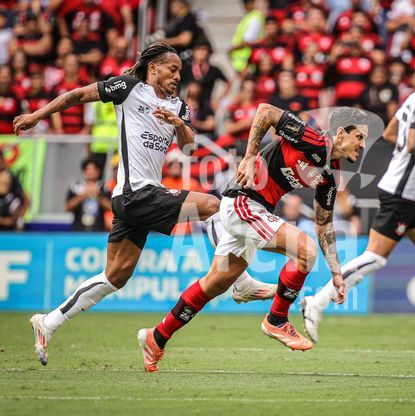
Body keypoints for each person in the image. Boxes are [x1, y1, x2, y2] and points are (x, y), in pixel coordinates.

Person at [13, 42, 274, 366]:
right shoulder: (128, 88)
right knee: (214, 205)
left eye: (180, 71)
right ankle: (239, 281)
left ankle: (48, 322)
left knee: (116, 276)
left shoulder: (179, 107)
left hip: (136, 199)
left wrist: (178, 124)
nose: (177, 76)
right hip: (135, 193)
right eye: (172, 69)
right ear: (153, 68)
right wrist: (37, 115)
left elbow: (190, 149)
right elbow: (78, 95)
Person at [136, 104, 369, 372]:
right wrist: (248, 157)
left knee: (214, 284)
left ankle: (157, 337)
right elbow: (265, 111)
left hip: (254, 210)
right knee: (305, 250)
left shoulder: (330, 174)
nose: (362, 144)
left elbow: (324, 224)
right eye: (359, 137)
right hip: (242, 202)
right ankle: (277, 320)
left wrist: (336, 272)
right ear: (340, 133)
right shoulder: (311, 138)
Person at [301, 48, 415, 344]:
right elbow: (414, 144)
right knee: (376, 258)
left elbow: (392, 132)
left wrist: (411, 154)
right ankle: (317, 301)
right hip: (402, 192)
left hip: (414, 192)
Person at [66, 158, 111, 232]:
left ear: (98, 171)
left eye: (94, 169)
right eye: (88, 169)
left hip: (98, 230)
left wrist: (98, 197)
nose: (91, 172)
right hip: (78, 230)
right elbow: (67, 207)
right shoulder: (75, 187)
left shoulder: (104, 187)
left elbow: (111, 207)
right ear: (84, 171)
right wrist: (84, 195)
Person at [0, 150, 30, 231]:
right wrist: (3, 221)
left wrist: (19, 218)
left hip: (12, 218)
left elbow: (27, 200)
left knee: (19, 221)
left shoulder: (12, 178)